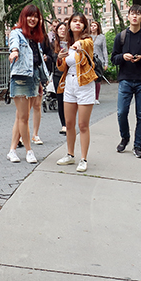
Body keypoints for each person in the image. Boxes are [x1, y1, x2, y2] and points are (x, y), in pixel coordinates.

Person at [111, 5, 141, 159]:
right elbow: (114, 58)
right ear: (128, 16)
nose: (135, 17)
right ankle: (125, 137)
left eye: (138, 14)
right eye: (132, 14)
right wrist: (122, 57)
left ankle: (138, 146)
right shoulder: (121, 37)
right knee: (121, 112)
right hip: (125, 79)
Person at [56, 13, 97, 172]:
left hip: (85, 84)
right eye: (74, 21)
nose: (77, 24)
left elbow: (85, 45)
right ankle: (70, 154)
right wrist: (60, 58)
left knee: (83, 124)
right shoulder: (66, 44)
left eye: (81, 22)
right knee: (69, 123)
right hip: (69, 84)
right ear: (69, 25)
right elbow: (62, 67)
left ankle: (83, 158)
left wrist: (79, 45)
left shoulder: (87, 41)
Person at [7, 5, 47, 163]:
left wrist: (41, 81)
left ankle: (12, 150)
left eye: (36, 16)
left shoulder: (34, 37)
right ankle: (29, 151)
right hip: (21, 78)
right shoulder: (17, 33)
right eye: (30, 16)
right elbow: (13, 44)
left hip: (34, 78)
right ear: (24, 17)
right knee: (24, 117)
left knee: (20, 117)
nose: (33, 19)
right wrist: (14, 51)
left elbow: (36, 62)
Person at [50, 21, 69, 135]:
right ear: (56, 31)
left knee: (70, 100)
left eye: (64, 28)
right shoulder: (53, 44)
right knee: (60, 99)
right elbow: (51, 58)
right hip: (58, 74)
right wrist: (58, 57)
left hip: (69, 74)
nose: (62, 30)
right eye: (60, 28)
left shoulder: (72, 43)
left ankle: (70, 123)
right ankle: (64, 124)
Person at [91, 20, 108, 104]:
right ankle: (90, 96)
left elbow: (104, 50)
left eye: (95, 26)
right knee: (90, 79)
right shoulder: (88, 37)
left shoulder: (102, 37)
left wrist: (106, 63)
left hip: (99, 61)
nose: (93, 27)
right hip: (90, 60)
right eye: (91, 26)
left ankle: (96, 97)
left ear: (98, 27)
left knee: (97, 79)